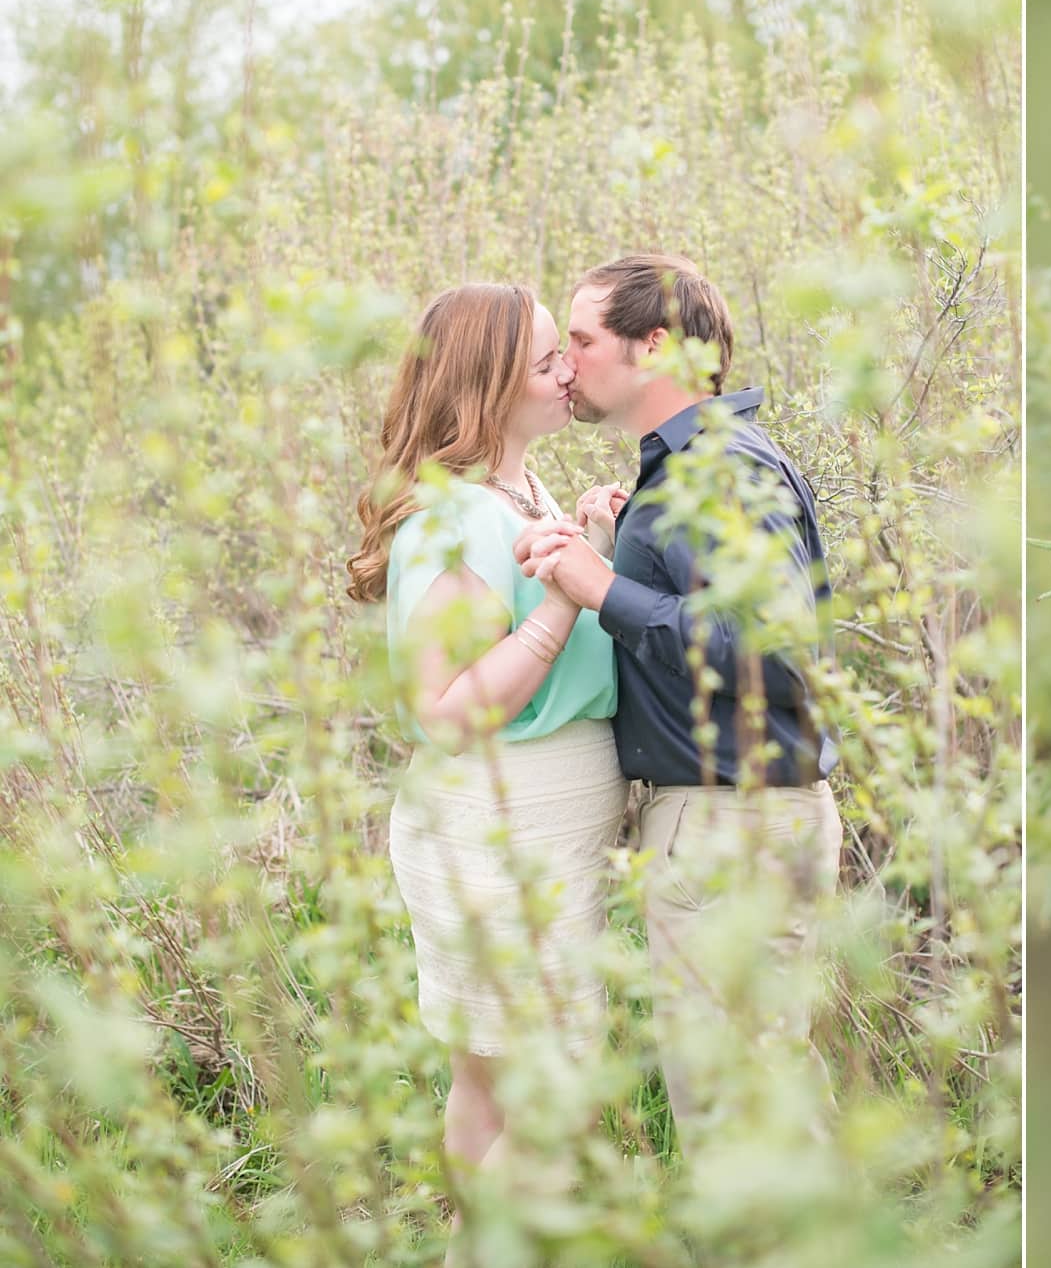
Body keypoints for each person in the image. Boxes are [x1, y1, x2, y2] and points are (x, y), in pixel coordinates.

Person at [511, 253, 843, 1127]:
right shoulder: (689, 470)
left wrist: (603, 587)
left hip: (733, 827)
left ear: (654, 346)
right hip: (730, 822)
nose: (567, 363)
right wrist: (627, 546)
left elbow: (775, 651)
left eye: (581, 339)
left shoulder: (719, 470)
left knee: (741, 1124)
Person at [343, 283, 624, 1208]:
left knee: (492, 1077)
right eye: (547, 360)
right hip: (504, 825)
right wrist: (560, 604)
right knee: (550, 1088)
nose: (568, 370)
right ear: (490, 383)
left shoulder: (515, 488)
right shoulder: (455, 513)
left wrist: (592, 543)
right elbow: (448, 709)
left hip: (530, 819)